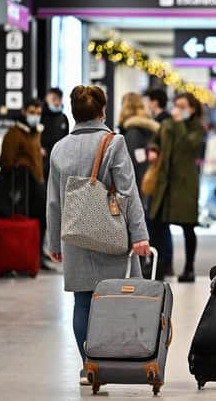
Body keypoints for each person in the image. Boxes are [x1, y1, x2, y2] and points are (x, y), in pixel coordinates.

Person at [46, 85, 150, 385]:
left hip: (75, 235)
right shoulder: (113, 143)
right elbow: (129, 192)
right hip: (111, 234)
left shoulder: (59, 148)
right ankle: (114, 362)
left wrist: (54, 241)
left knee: (82, 301)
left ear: (72, 112)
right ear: (103, 111)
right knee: (113, 300)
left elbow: (53, 202)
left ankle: (88, 366)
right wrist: (140, 234)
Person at [148, 92, 204, 283]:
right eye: (177, 105)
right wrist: (153, 150)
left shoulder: (197, 128)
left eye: (183, 106)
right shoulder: (167, 124)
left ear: (193, 109)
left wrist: (180, 123)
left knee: (188, 227)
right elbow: (155, 140)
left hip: (185, 185)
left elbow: (189, 145)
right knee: (157, 225)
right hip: (165, 183)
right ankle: (158, 266)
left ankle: (189, 268)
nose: (178, 109)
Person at [0, 98, 53, 270]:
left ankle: (38, 254)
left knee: (41, 220)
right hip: (24, 187)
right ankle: (28, 255)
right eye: (32, 112)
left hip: (37, 183)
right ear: (24, 111)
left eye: (38, 113)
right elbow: (6, 161)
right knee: (28, 220)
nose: (35, 116)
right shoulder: (14, 134)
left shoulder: (35, 132)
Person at [142, 87, 174, 276]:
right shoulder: (158, 122)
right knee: (158, 222)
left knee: (159, 222)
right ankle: (162, 261)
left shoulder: (163, 123)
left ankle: (162, 262)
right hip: (157, 178)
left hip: (160, 179)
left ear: (154, 101)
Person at [118, 92, 160, 206]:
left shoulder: (133, 132)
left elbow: (134, 161)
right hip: (147, 181)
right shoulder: (147, 128)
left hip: (136, 185)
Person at [40, 87, 70, 181]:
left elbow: (66, 139)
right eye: (53, 99)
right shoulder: (40, 116)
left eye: (59, 99)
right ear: (47, 99)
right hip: (43, 159)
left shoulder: (63, 118)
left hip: (59, 160)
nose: (56, 102)